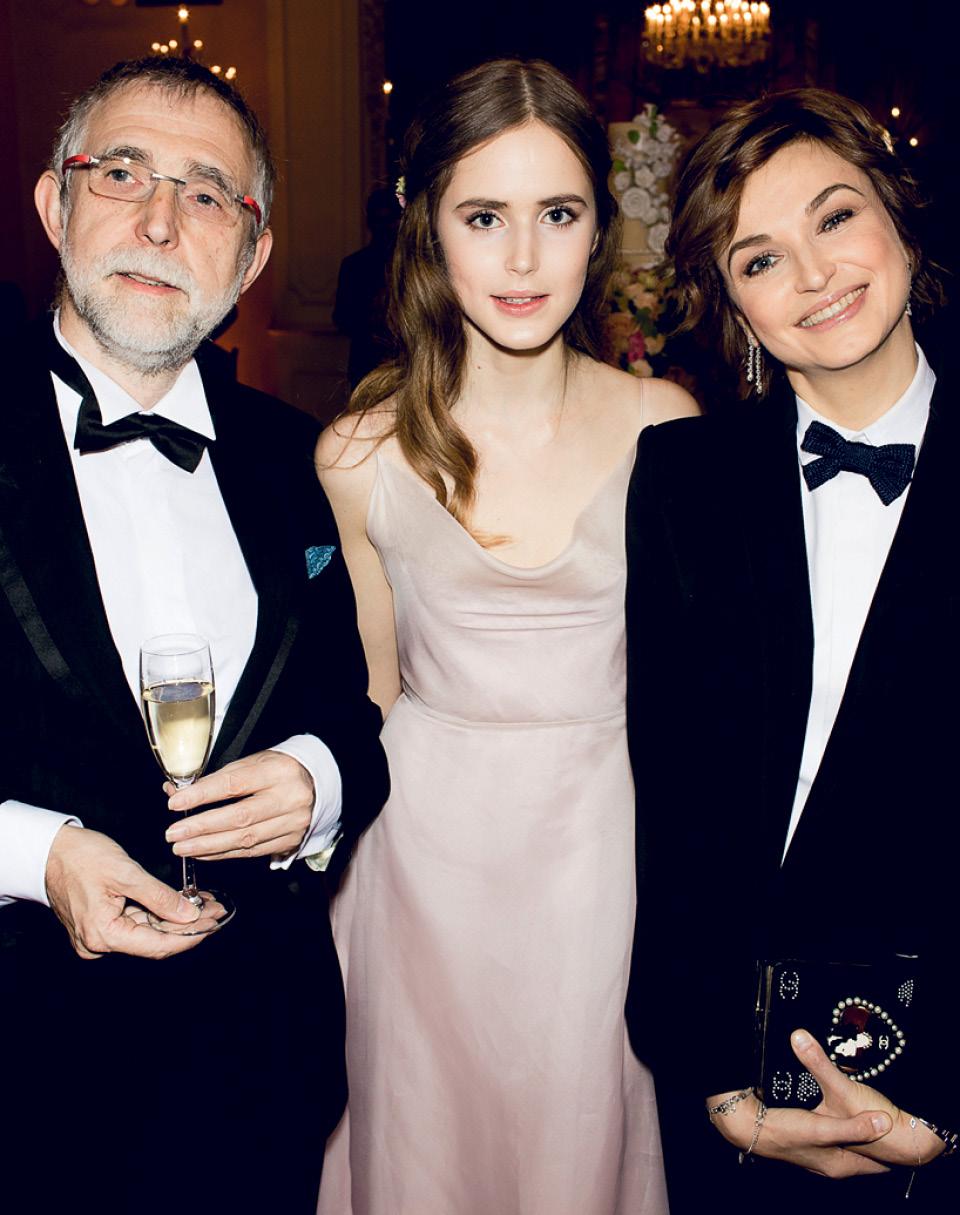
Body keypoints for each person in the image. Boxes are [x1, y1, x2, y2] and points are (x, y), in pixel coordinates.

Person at [0, 56, 388, 1213]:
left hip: (256, 1068)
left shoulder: (296, 455)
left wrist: (318, 782)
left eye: (208, 193)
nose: (162, 223)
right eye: (122, 173)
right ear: (54, 203)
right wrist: (34, 854)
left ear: (253, 254)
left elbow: (350, 714)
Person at [315, 57, 697, 1215]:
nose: (524, 259)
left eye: (559, 214)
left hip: (607, 853)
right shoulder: (359, 453)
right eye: (484, 216)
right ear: (428, 227)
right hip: (420, 870)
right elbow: (369, 697)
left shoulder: (668, 428)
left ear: (600, 229)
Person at [625, 88, 957, 1213]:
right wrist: (714, 1077)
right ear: (730, 302)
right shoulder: (683, 481)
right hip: (744, 1066)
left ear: (898, 215)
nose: (814, 275)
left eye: (835, 217)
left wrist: (946, 1107)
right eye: (760, 259)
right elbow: (672, 802)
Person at [333, 186, 400, 388]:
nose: (385, 228)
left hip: (402, 365)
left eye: (389, 220)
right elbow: (341, 319)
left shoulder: (411, 266)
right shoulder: (354, 265)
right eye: (380, 221)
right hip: (366, 364)